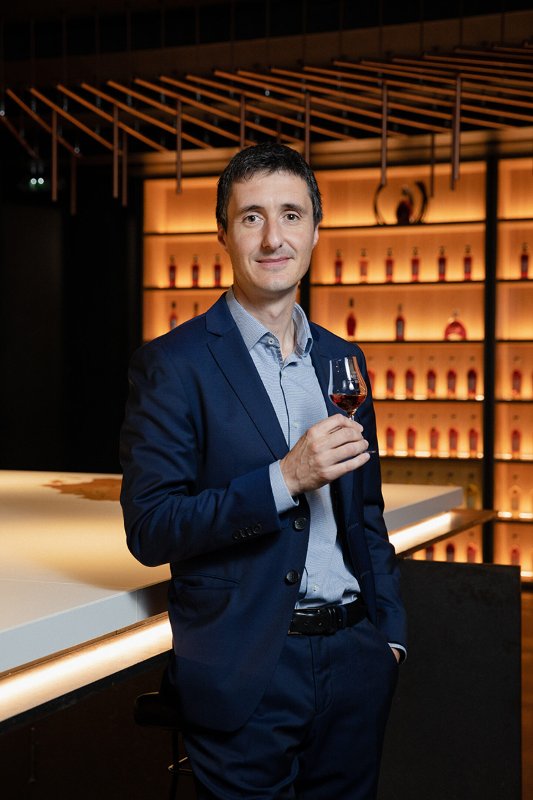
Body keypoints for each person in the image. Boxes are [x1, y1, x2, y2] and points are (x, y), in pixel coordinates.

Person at [120, 142, 407, 800]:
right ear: (222, 233)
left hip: (355, 662)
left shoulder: (342, 360)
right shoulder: (173, 364)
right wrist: (284, 479)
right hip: (245, 670)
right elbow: (151, 527)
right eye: (251, 217)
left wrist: (388, 638)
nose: (273, 237)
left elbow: (365, 515)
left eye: (290, 215)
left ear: (315, 231)